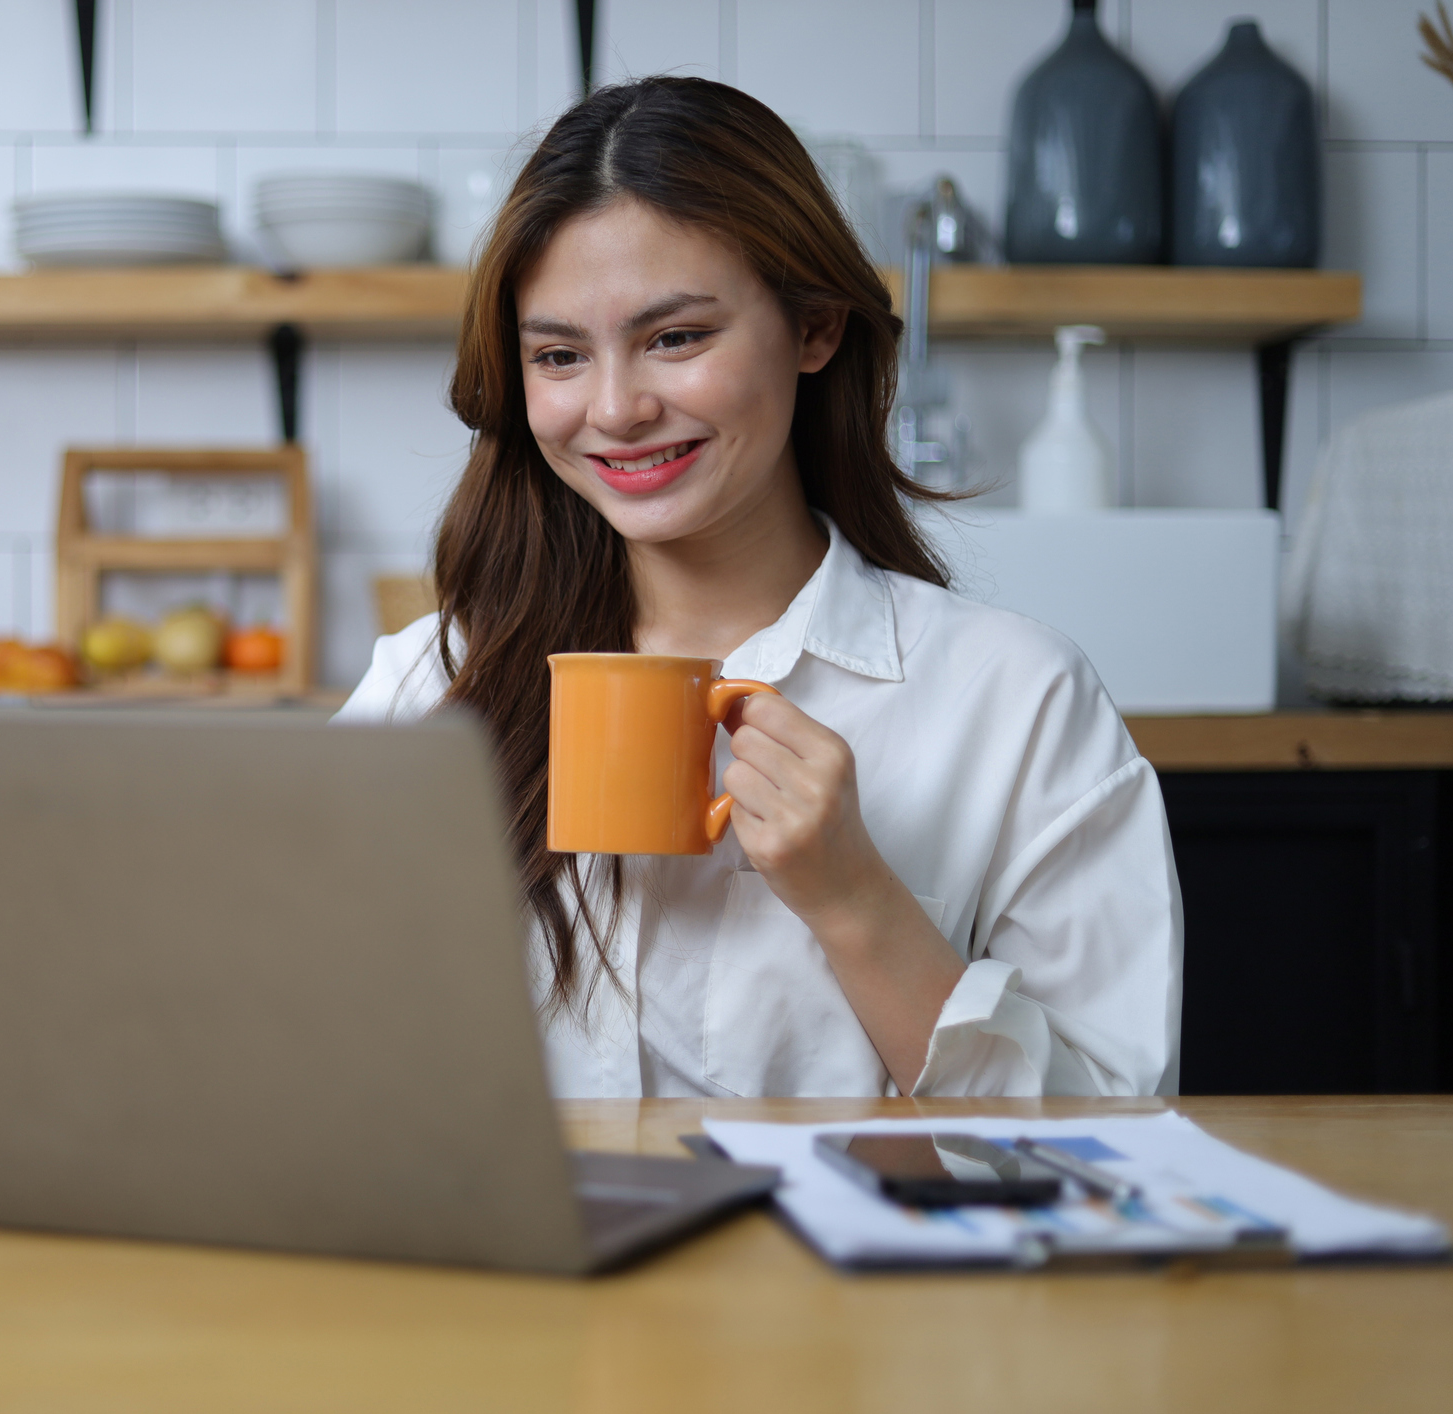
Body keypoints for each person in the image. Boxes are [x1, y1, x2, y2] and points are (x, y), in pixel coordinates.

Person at [335, 77, 1182, 1099]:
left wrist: (858, 903)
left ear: (815, 328)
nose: (614, 407)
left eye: (676, 337)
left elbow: (1110, 1146)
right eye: (559, 356)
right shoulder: (431, 686)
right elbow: (290, 1040)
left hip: (847, 1264)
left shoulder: (1017, 702)